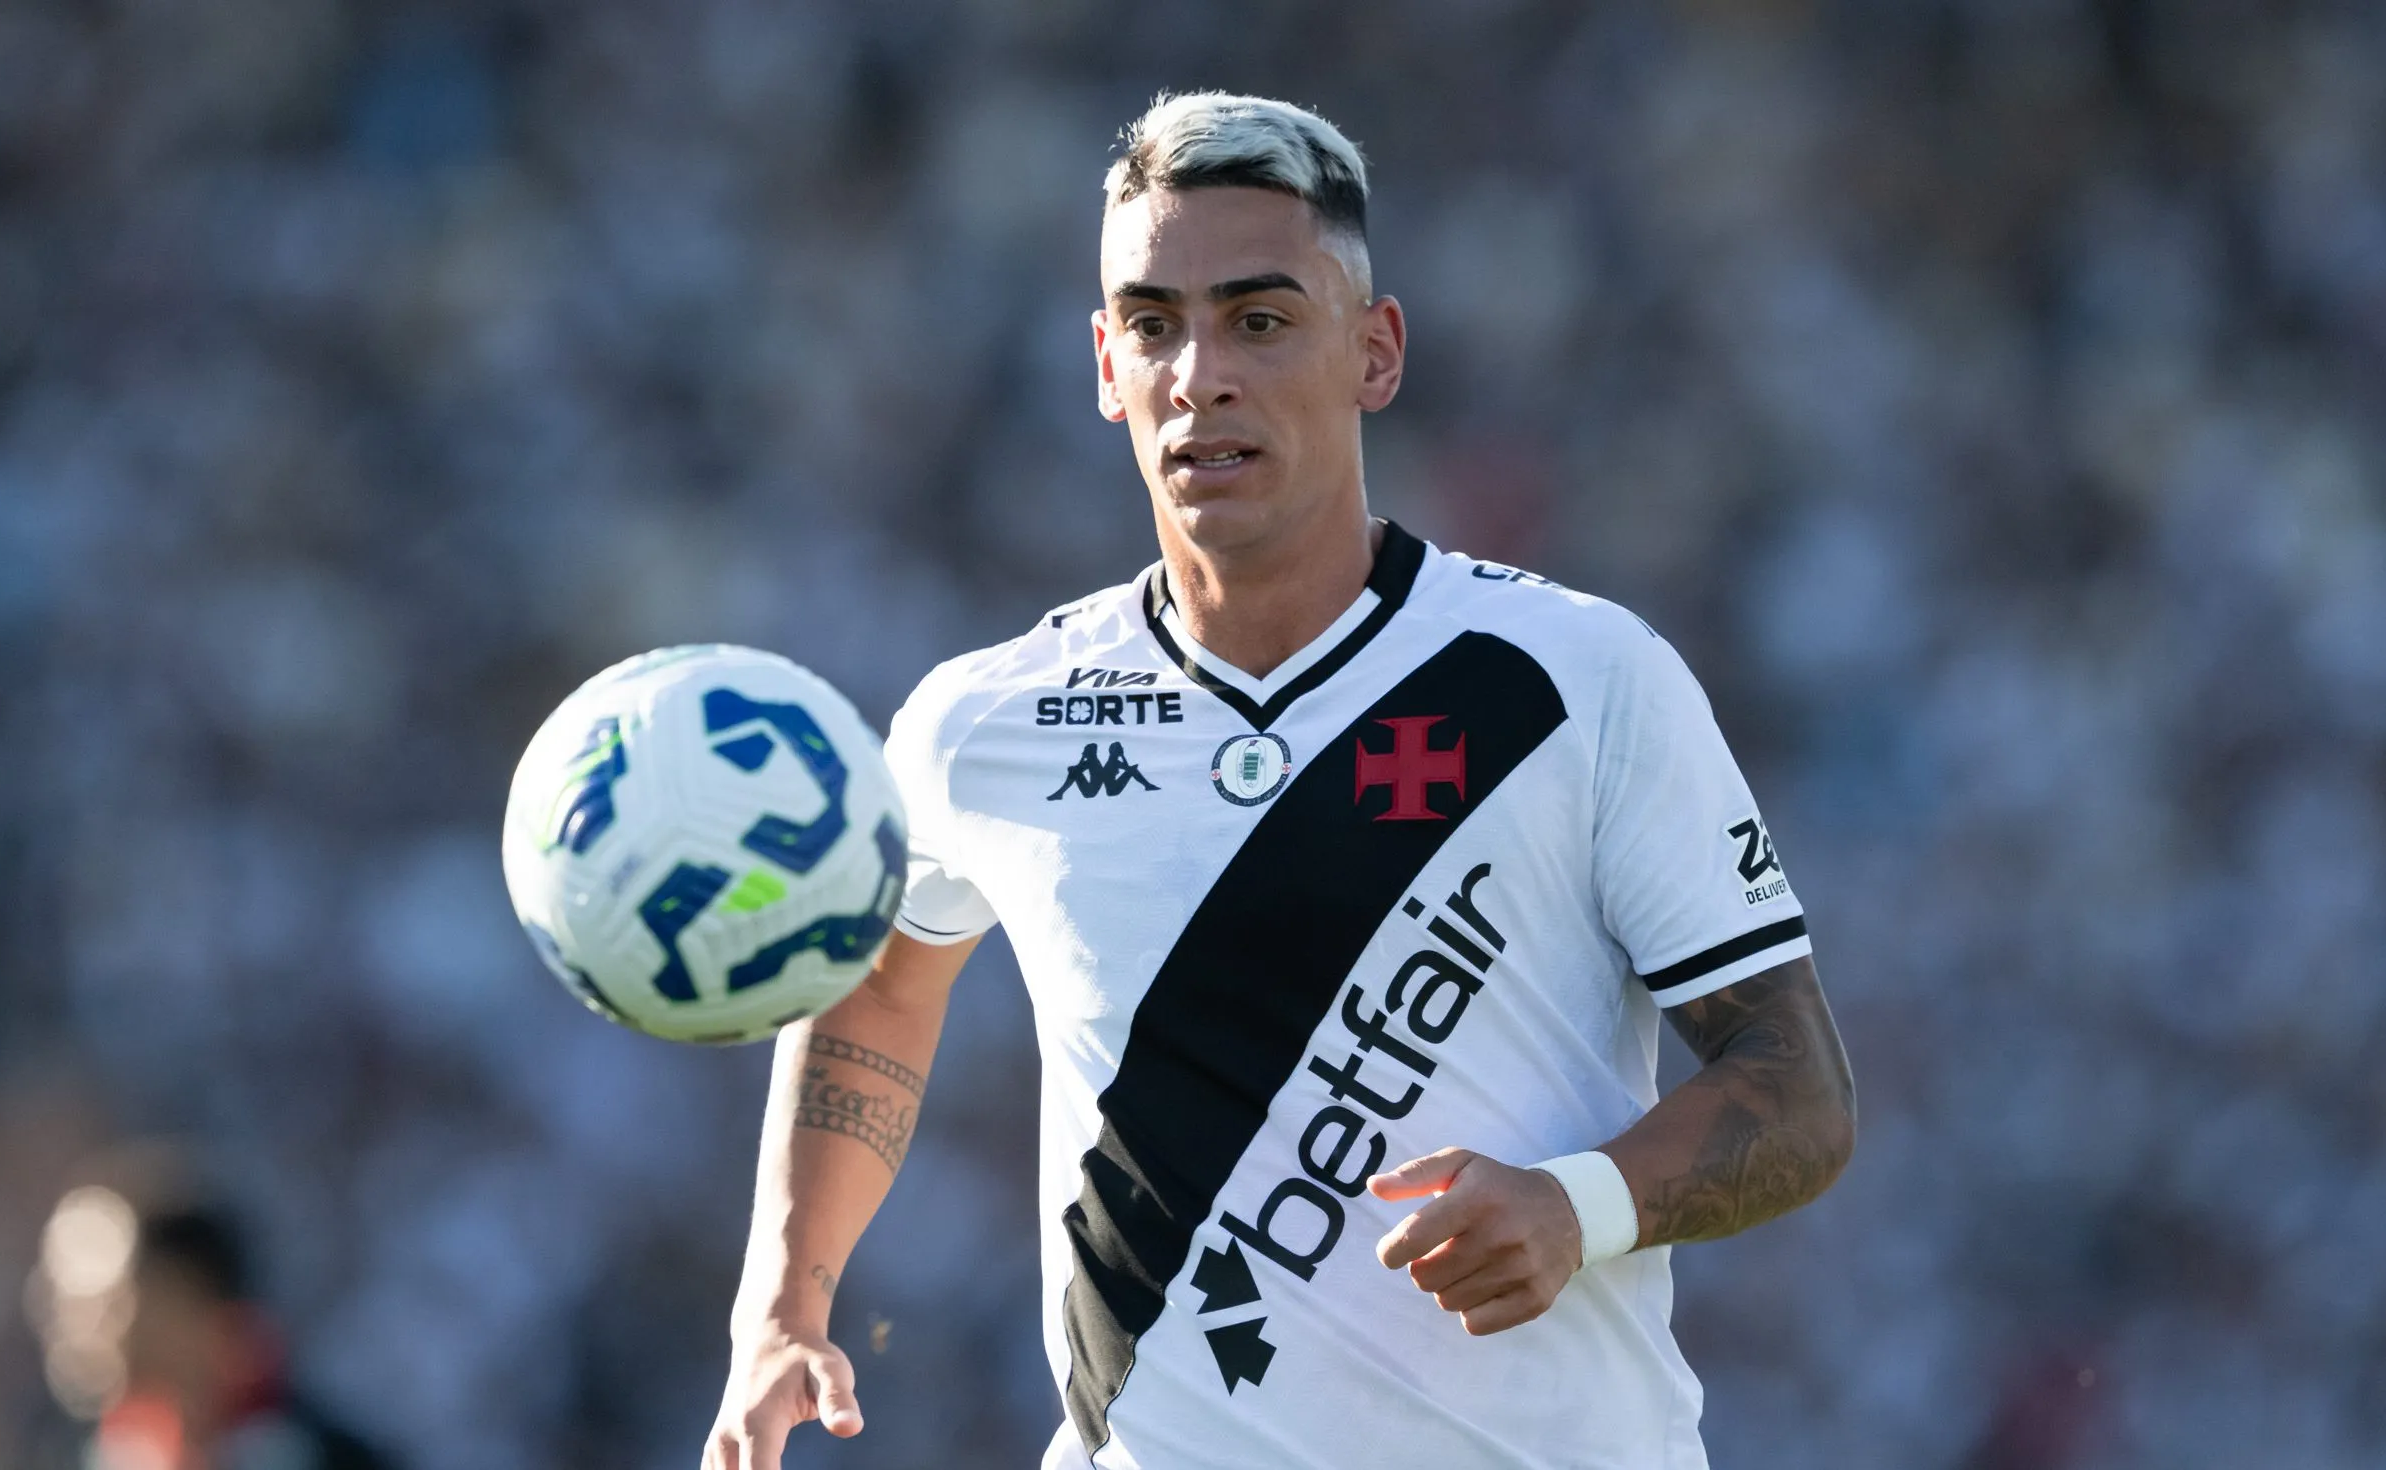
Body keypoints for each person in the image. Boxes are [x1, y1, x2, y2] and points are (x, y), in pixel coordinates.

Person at [703, 92, 1856, 1470]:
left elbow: (1796, 1088)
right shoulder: (982, 724)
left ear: (1374, 353)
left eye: (1258, 318)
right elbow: (880, 976)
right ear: (1101, 365)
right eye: (1151, 323)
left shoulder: (1576, 680)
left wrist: (1579, 1204)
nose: (1199, 372)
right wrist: (780, 1300)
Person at [33, 1188, 391, 1470]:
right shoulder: (96, 1458)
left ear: (203, 1309)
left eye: (110, 1304)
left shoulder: (334, 1459)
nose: (78, 1330)